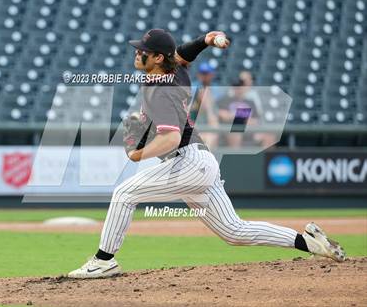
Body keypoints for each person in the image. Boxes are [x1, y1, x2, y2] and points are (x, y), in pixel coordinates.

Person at [68, 29, 345, 279]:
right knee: (234, 231)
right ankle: (308, 241)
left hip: (188, 162)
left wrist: (138, 155)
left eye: (143, 50)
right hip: (200, 163)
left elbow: (171, 138)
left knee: (124, 193)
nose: (138, 53)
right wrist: (206, 40)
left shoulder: (157, 89)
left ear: (157, 58)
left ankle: (104, 261)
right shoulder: (175, 73)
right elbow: (182, 55)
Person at [189, 62, 220, 150]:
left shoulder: (217, 89)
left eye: (206, 73)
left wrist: (208, 104)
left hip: (210, 120)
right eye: (202, 73)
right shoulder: (194, 87)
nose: (204, 76)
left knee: (211, 136)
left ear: (211, 74)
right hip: (196, 121)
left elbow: (217, 108)